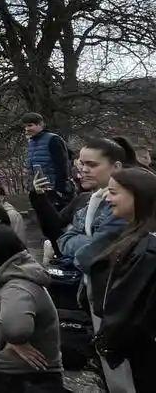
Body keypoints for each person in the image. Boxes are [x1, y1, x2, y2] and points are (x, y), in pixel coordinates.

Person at [57, 137, 132, 392]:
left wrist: (84, 242)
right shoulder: (92, 201)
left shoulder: (126, 205)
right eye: (81, 163)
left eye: (91, 164)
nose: (83, 169)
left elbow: (86, 256)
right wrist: (86, 241)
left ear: (116, 167)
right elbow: (63, 239)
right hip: (95, 297)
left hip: (122, 301)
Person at [90, 166, 156, 391]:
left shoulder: (147, 247)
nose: (108, 198)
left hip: (142, 353)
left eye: (114, 192)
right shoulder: (134, 235)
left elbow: (128, 306)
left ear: (137, 194)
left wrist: (106, 343)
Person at [0, 225, 63, 392]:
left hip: (26, 378)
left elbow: (16, 329)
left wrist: (13, 339)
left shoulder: (17, 286)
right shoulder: (12, 276)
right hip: (24, 374)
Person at [21, 112, 73, 208]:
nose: (27, 129)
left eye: (30, 125)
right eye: (25, 126)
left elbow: (62, 165)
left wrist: (60, 190)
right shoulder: (31, 142)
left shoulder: (53, 139)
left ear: (40, 124)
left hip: (53, 191)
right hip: (38, 190)